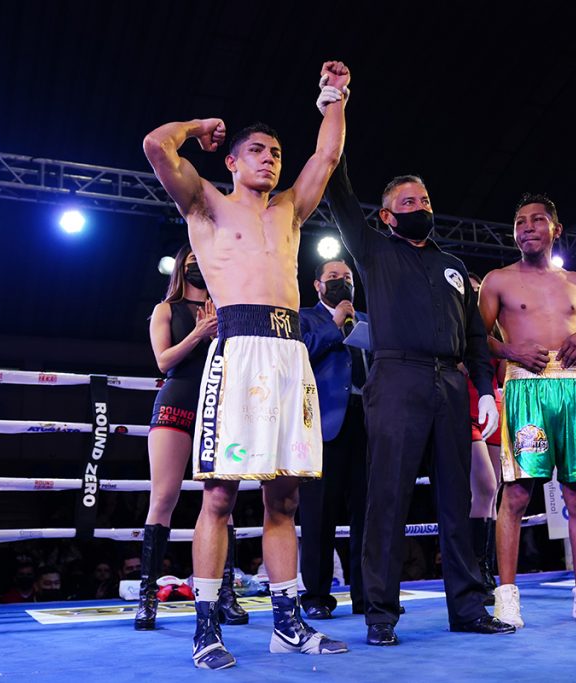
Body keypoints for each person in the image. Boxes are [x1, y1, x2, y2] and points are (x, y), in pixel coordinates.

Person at [143, 60, 350, 669]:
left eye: (276, 151)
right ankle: (206, 626)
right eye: (257, 150)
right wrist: (198, 124)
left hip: (290, 355)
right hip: (237, 354)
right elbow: (156, 145)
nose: (270, 159)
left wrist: (334, 96)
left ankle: (287, 622)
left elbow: (327, 158)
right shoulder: (205, 203)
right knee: (218, 498)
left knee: (284, 501)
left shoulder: (289, 209)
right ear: (231, 161)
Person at [317, 88, 513, 646]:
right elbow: (337, 185)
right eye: (407, 201)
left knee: (458, 500)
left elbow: (477, 338)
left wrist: (483, 391)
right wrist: (335, 103)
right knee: (388, 495)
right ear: (386, 214)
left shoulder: (454, 265)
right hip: (396, 378)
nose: (418, 205)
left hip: (452, 383)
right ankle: (380, 613)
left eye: (423, 198)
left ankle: (469, 609)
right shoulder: (374, 250)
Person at [480, 193, 576, 626]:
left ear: (555, 229)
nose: (527, 227)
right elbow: (476, 338)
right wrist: (510, 348)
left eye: (536, 220)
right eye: (519, 222)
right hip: (525, 387)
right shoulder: (498, 280)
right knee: (516, 493)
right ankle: (506, 598)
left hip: (572, 388)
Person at [135, 246, 247, 630]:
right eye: (191, 262)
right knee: (163, 497)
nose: (198, 267)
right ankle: (147, 599)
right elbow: (163, 361)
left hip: (219, 404)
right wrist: (199, 333)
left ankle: (225, 595)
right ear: (182, 269)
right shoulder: (167, 308)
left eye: (203, 260)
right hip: (177, 401)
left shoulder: (229, 307)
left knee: (221, 501)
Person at [297, 258, 368, 619]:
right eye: (333, 277)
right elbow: (299, 357)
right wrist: (335, 323)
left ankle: (367, 594)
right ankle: (315, 596)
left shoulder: (369, 321)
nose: (342, 282)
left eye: (348, 277)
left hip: (367, 424)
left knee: (368, 513)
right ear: (317, 285)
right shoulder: (304, 318)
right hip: (322, 424)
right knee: (318, 513)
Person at [465, 274, 503, 606]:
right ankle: (475, 570)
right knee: (486, 487)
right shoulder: (455, 329)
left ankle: (486, 570)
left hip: (494, 411)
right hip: (465, 410)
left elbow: (503, 375)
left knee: (492, 496)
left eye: (481, 292)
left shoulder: (495, 334)